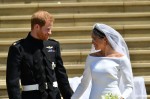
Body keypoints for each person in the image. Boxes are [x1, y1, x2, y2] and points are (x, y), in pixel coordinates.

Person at [6, 10, 73, 99]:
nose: (50, 32)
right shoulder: (18, 48)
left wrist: (71, 97)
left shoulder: (53, 45)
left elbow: (61, 77)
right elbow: (12, 82)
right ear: (37, 27)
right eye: (48, 29)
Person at [71, 23, 134, 99]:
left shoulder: (121, 59)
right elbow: (84, 84)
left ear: (105, 39)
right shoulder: (91, 58)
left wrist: (122, 97)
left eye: (94, 38)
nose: (92, 42)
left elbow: (129, 86)